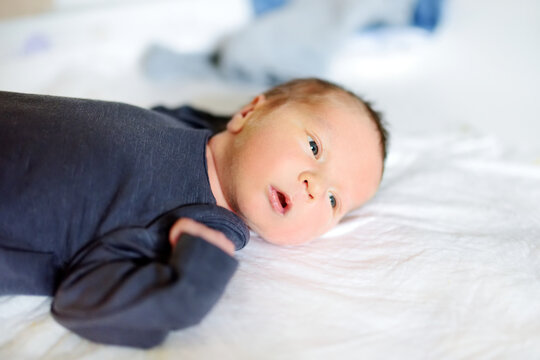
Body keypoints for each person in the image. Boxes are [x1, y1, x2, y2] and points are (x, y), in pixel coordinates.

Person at [0, 78, 387, 348]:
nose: (315, 186)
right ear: (248, 113)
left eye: (335, 201)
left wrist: (196, 276)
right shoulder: (188, 128)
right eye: (314, 146)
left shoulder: (198, 226)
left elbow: (83, 301)